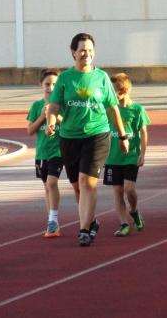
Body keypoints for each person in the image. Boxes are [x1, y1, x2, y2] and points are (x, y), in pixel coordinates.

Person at [46, 33, 129, 247]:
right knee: (77, 187)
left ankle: (84, 230)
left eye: (90, 50)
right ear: (73, 52)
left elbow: (113, 108)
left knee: (87, 182)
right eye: (82, 50)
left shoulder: (101, 77)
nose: (86, 54)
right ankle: (91, 221)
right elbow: (54, 106)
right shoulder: (65, 78)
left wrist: (122, 136)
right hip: (69, 137)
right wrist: (52, 122)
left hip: (97, 134)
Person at [103, 73, 149, 236]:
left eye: (114, 91)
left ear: (123, 91)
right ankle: (124, 223)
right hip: (112, 157)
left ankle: (134, 210)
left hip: (130, 155)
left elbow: (143, 132)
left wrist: (143, 153)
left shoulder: (137, 109)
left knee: (129, 189)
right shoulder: (108, 110)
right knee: (117, 190)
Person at [27, 68, 68, 238]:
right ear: (41, 85)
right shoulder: (36, 106)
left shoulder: (62, 105)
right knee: (47, 187)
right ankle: (52, 220)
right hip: (42, 153)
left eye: (54, 84)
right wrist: (43, 117)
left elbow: (68, 125)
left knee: (52, 183)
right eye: (47, 84)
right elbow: (30, 130)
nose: (51, 88)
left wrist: (55, 116)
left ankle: (53, 219)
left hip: (58, 151)